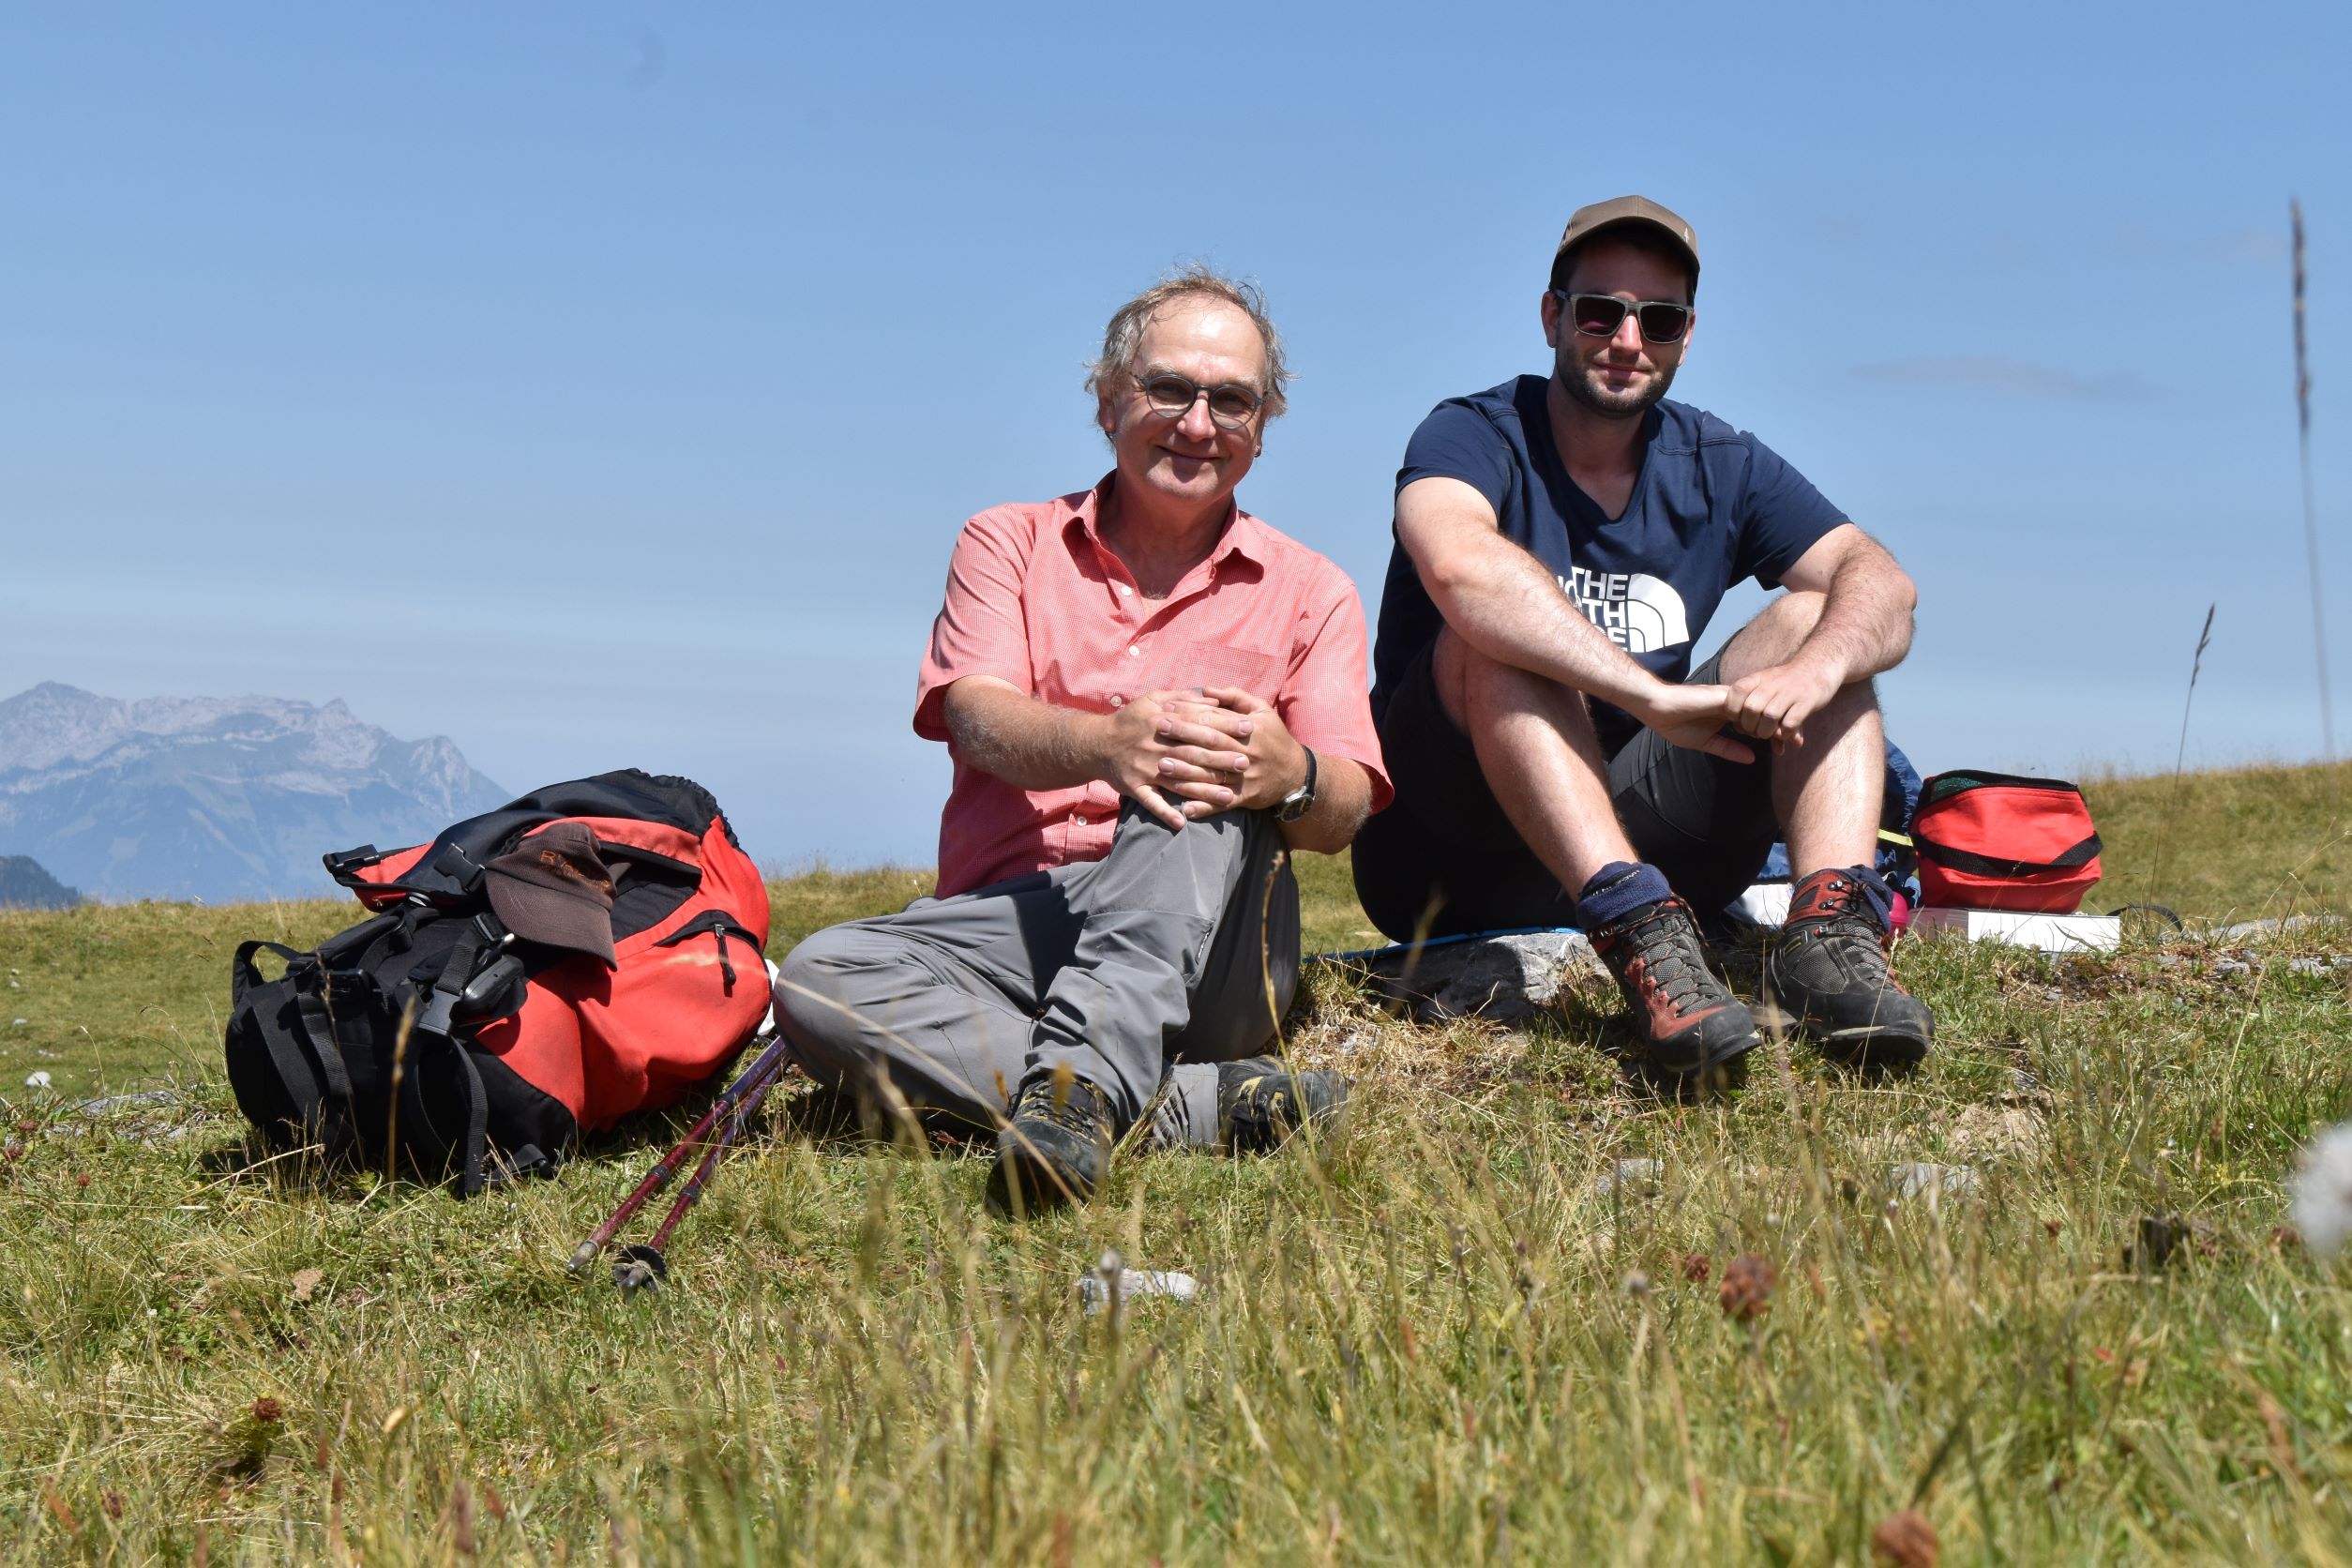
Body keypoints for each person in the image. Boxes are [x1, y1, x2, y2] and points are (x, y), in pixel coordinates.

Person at [776, 268, 1391, 1216]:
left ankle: (1077, 1090)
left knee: (1203, 761)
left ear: (1262, 428)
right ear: (1107, 400)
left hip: (1208, 946)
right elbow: (975, 716)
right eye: (1168, 389)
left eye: (1230, 400)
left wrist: (1290, 773)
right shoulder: (1008, 542)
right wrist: (1110, 743)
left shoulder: (1314, 590)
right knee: (820, 979)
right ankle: (1179, 1104)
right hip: (1019, 924)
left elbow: (1346, 803)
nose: (1197, 423)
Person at [1352, 195, 1932, 1078]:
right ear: (1552, 316)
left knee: (1826, 616)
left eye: (1657, 320)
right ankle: (1638, 931)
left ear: (1685, 338)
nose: (1628, 339)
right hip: (1448, 850)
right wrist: (1650, 697)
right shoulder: (1471, 433)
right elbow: (1463, 568)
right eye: (1601, 311)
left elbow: (1883, 582)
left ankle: (1829, 940)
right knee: (1492, 630)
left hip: (1649, 825)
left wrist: (1814, 670)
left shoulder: (1719, 460)